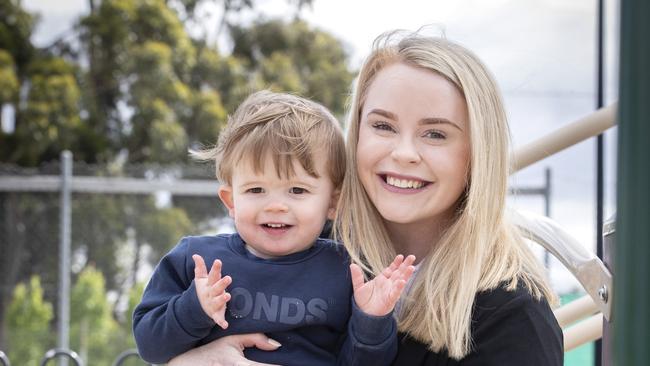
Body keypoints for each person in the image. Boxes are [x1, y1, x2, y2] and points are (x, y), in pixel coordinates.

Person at [168, 32, 564, 366]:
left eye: (436, 134)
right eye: (383, 125)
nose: (404, 153)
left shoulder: (512, 316)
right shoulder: (299, 244)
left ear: (478, 154)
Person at [133, 90, 416, 366]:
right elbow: (150, 347)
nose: (276, 206)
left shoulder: (348, 270)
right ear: (231, 200)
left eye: (297, 190)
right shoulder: (196, 261)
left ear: (333, 202)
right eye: (256, 189)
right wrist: (193, 308)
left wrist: (371, 320)